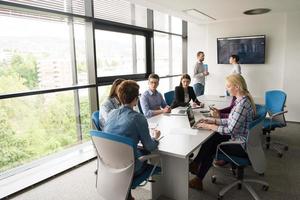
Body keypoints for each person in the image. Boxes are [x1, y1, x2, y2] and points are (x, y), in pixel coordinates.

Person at [189, 74, 256, 191]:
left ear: (237, 87)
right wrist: (212, 121)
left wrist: (208, 125)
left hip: (240, 145)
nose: (227, 89)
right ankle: (197, 166)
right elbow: (231, 121)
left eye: (228, 86)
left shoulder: (242, 105)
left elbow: (230, 129)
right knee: (213, 137)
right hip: (240, 138)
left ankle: (198, 173)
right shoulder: (242, 101)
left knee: (212, 146)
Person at [104, 80, 160, 200]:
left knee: (131, 152)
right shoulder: (138, 118)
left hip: (109, 163)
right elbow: (150, 146)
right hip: (130, 167)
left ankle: (127, 196)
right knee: (146, 152)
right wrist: (155, 138)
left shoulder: (111, 113)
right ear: (136, 98)